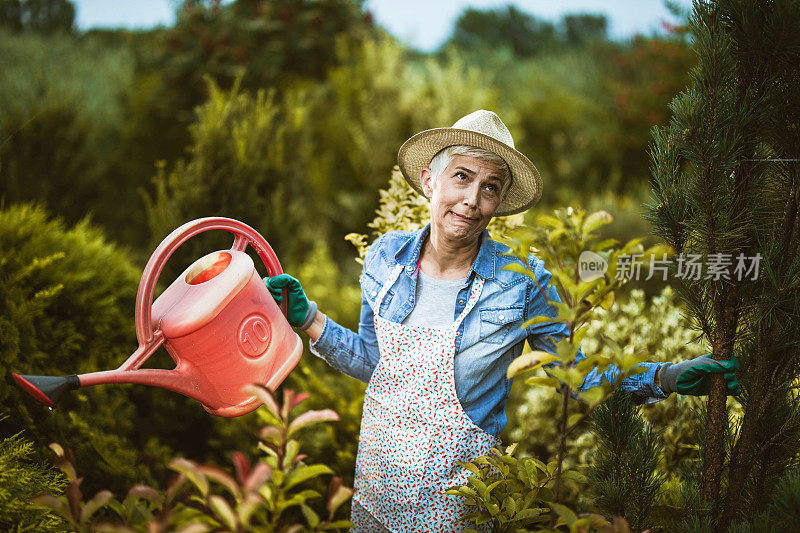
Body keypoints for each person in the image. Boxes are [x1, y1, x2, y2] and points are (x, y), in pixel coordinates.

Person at [263, 110, 740, 532]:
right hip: (373, 500)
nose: (472, 200)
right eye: (462, 177)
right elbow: (375, 364)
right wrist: (310, 320)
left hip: (459, 509)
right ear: (430, 181)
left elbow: (575, 375)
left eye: (489, 187)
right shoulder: (386, 256)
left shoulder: (520, 281)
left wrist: (666, 376)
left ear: (499, 201)